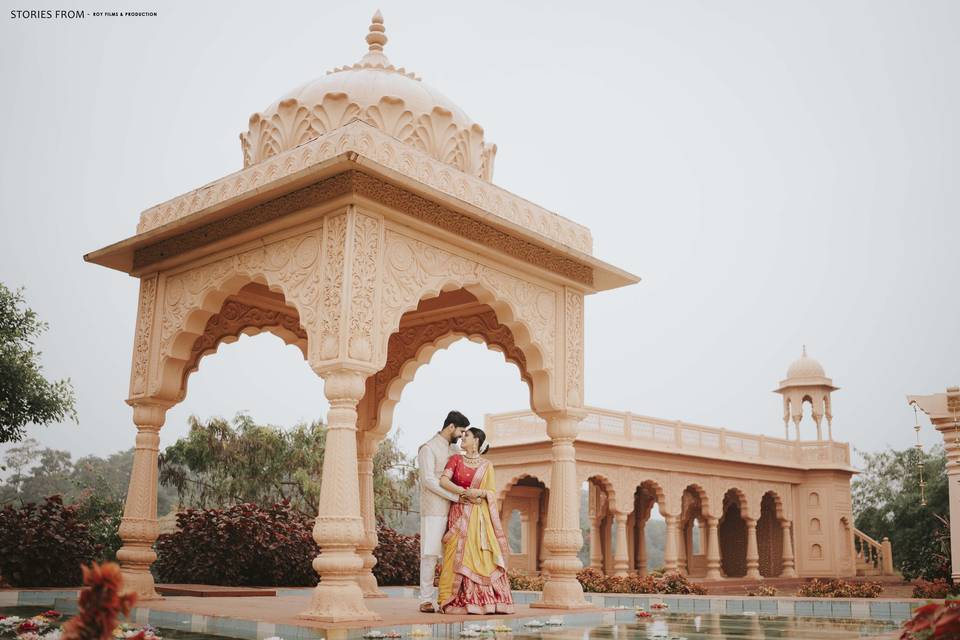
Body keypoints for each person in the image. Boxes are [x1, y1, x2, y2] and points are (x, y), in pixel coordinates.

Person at [437, 427, 514, 614]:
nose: (463, 438)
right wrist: (463, 493)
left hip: (480, 517)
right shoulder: (456, 459)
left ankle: (482, 601)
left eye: (467, 435)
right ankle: (450, 598)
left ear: (477, 440)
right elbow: (443, 481)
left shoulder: (487, 465)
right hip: (460, 511)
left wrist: (478, 493)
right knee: (454, 554)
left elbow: (492, 493)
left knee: (480, 555)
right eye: (462, 435)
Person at [417, 410, 471, 613]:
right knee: (430, 553)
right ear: (451, 427)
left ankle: (451, 598)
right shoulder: (428, 449)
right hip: (435, 508)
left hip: (457, 509)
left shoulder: (455, 451)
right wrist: (456, 497)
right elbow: (428, 480)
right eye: (461, 430)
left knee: (455, 554)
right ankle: (425, 600)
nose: (462, 435)